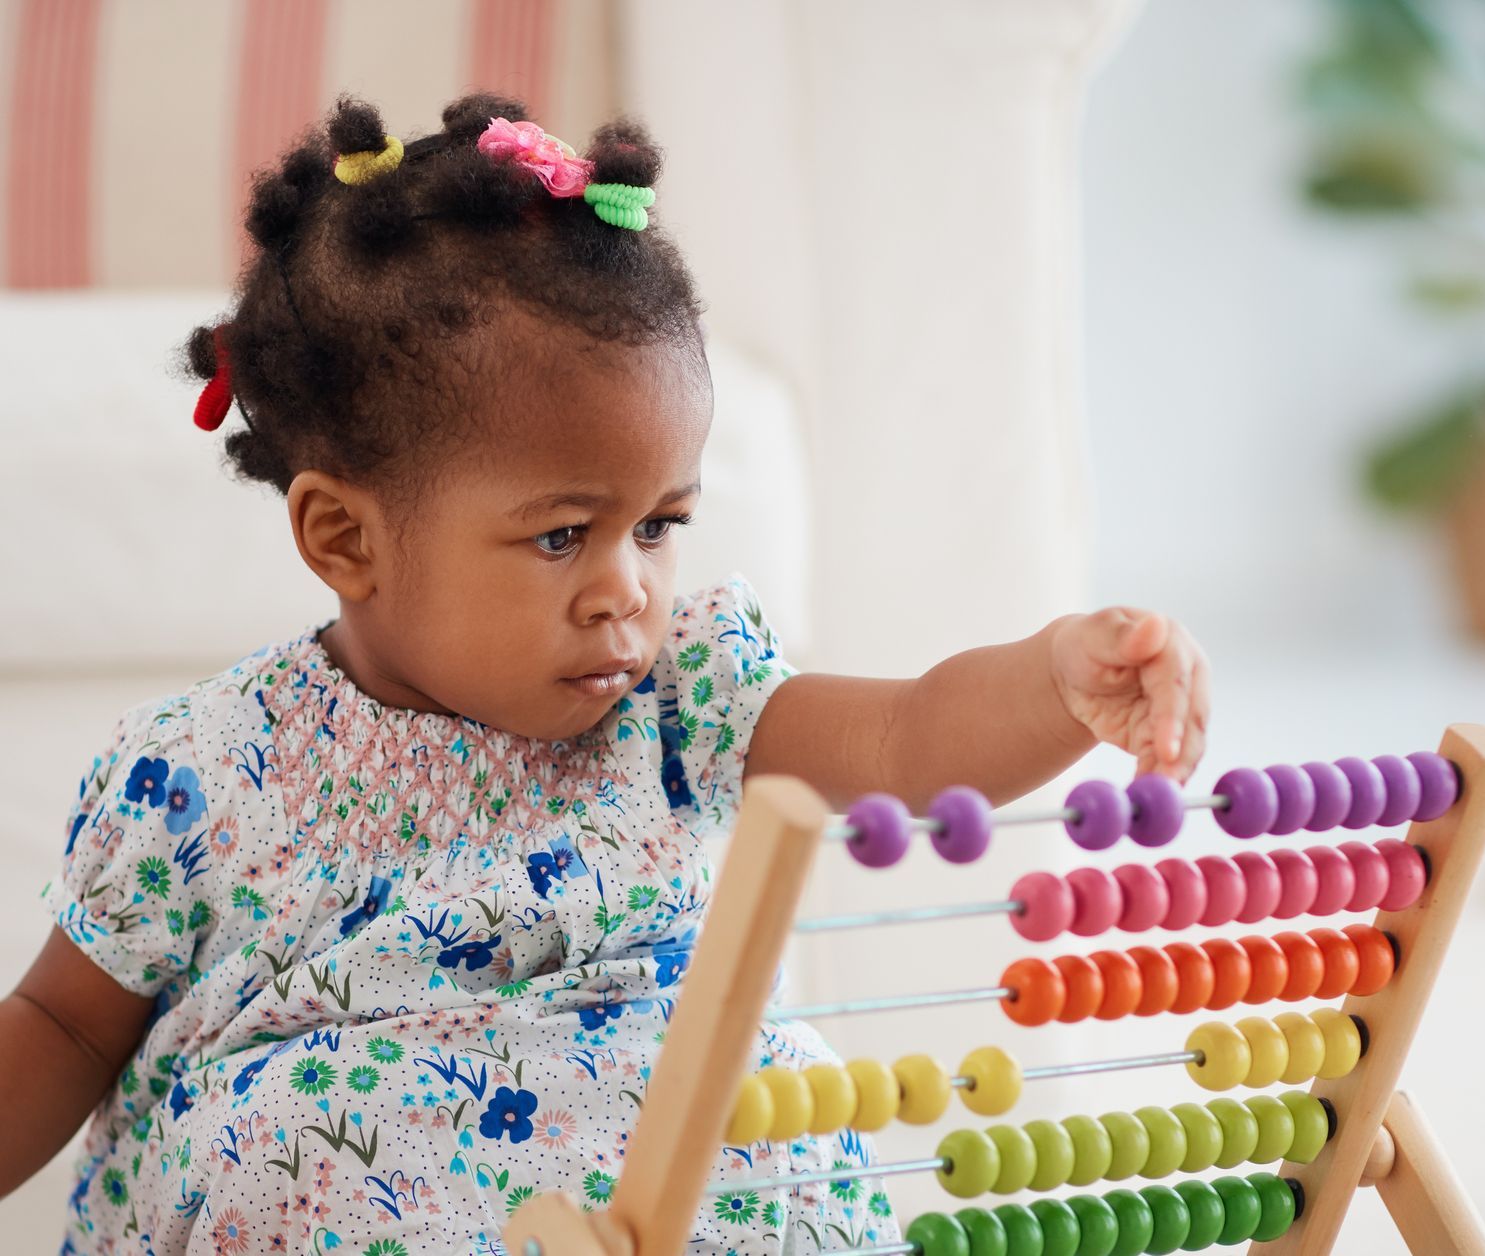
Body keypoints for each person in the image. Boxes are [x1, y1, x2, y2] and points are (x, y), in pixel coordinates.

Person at [0, 94, 1208, 1255]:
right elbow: (59, 1021)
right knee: (297, 1153)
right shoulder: (203, 770)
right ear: (346, 538)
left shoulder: (683, 694)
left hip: (655, 1159)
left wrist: (1056, 682)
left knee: (775, 1116)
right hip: (352, 1173)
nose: (625, 586)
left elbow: (908, 740)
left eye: (661, 524)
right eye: (562, 534)